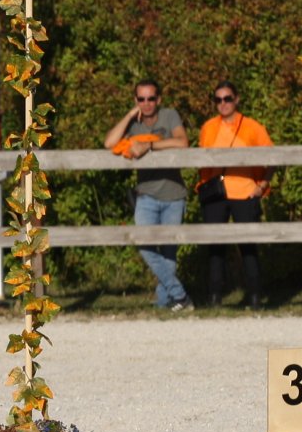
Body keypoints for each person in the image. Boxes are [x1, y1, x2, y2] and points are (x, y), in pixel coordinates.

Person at [102, 79, 191, 311]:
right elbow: (109, 143)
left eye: (151, 98)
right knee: (144, 244)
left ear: (158, 100)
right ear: (135, 100)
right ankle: (180, 296)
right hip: (146, 195)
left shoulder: (169, 115)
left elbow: (183, 142)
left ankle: (164, 303)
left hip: (173, 194)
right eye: (141, 99)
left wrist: (150, 146)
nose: (146, 103)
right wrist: (131, 115)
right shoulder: (133, 124)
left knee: (169, 251)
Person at [195, 80, 272, 308]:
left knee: (248, 246)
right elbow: (201, 159)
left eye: (227, 98)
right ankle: (215, 297)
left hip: (245, 191)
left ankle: (255, 296)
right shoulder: (208, 127)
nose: (223, 103)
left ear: (236, 99)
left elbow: (274, 156)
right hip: (215, 193)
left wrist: (262, 185)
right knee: (215, 246)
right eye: (218, 99)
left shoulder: (252, 127)